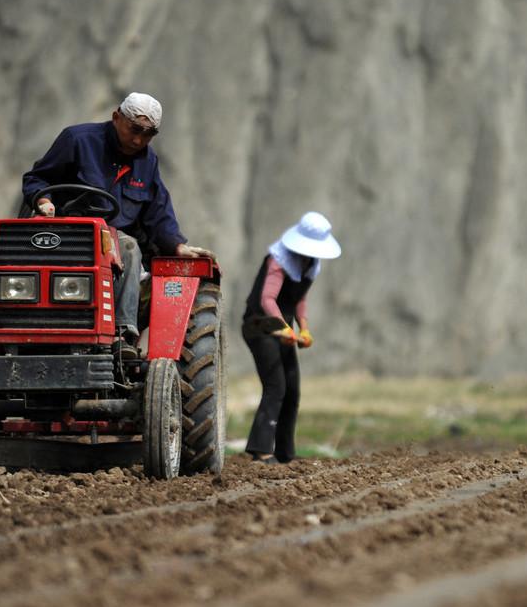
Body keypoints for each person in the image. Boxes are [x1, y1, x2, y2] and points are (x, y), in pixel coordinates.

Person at [21, 92, 213, 353]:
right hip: (65, 231)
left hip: (113, 240)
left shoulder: (148, 161)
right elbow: (38, 178)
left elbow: (157, 209)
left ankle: (122, 335)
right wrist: (44, 201)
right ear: (116, 118)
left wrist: (177, 245)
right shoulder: (77, 140)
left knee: (129, 248)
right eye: (134, 129)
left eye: (148, 134)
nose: (138, 140)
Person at [242, 211, 341, 464]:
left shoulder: (310, 264)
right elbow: (267, 299)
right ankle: (261, 450)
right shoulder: (278, 261)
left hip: (283, 331)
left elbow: (300, 299)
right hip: (261, 326)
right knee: (276, 386)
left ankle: (285, 452)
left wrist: (303, 328)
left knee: (293, 390)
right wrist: (284, 327)